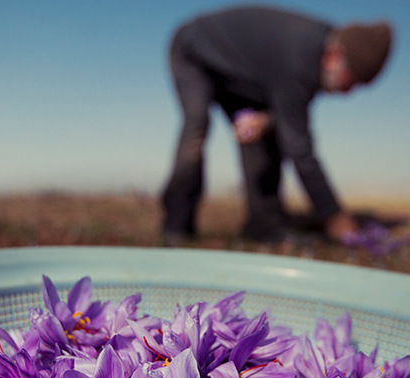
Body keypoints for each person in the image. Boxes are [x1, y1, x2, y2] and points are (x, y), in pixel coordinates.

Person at [161, 5, 393, 246]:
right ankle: (176, 226)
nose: (348, 93)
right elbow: (301, 151)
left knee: (261, 135)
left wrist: (265, 120)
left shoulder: (321, 54)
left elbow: (283, 113)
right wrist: (334, 217)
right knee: (197, 127)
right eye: (352, 81)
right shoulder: (299, 59)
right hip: (195, 52)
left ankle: (264, 227)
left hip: (244, 75)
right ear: (334, 57)